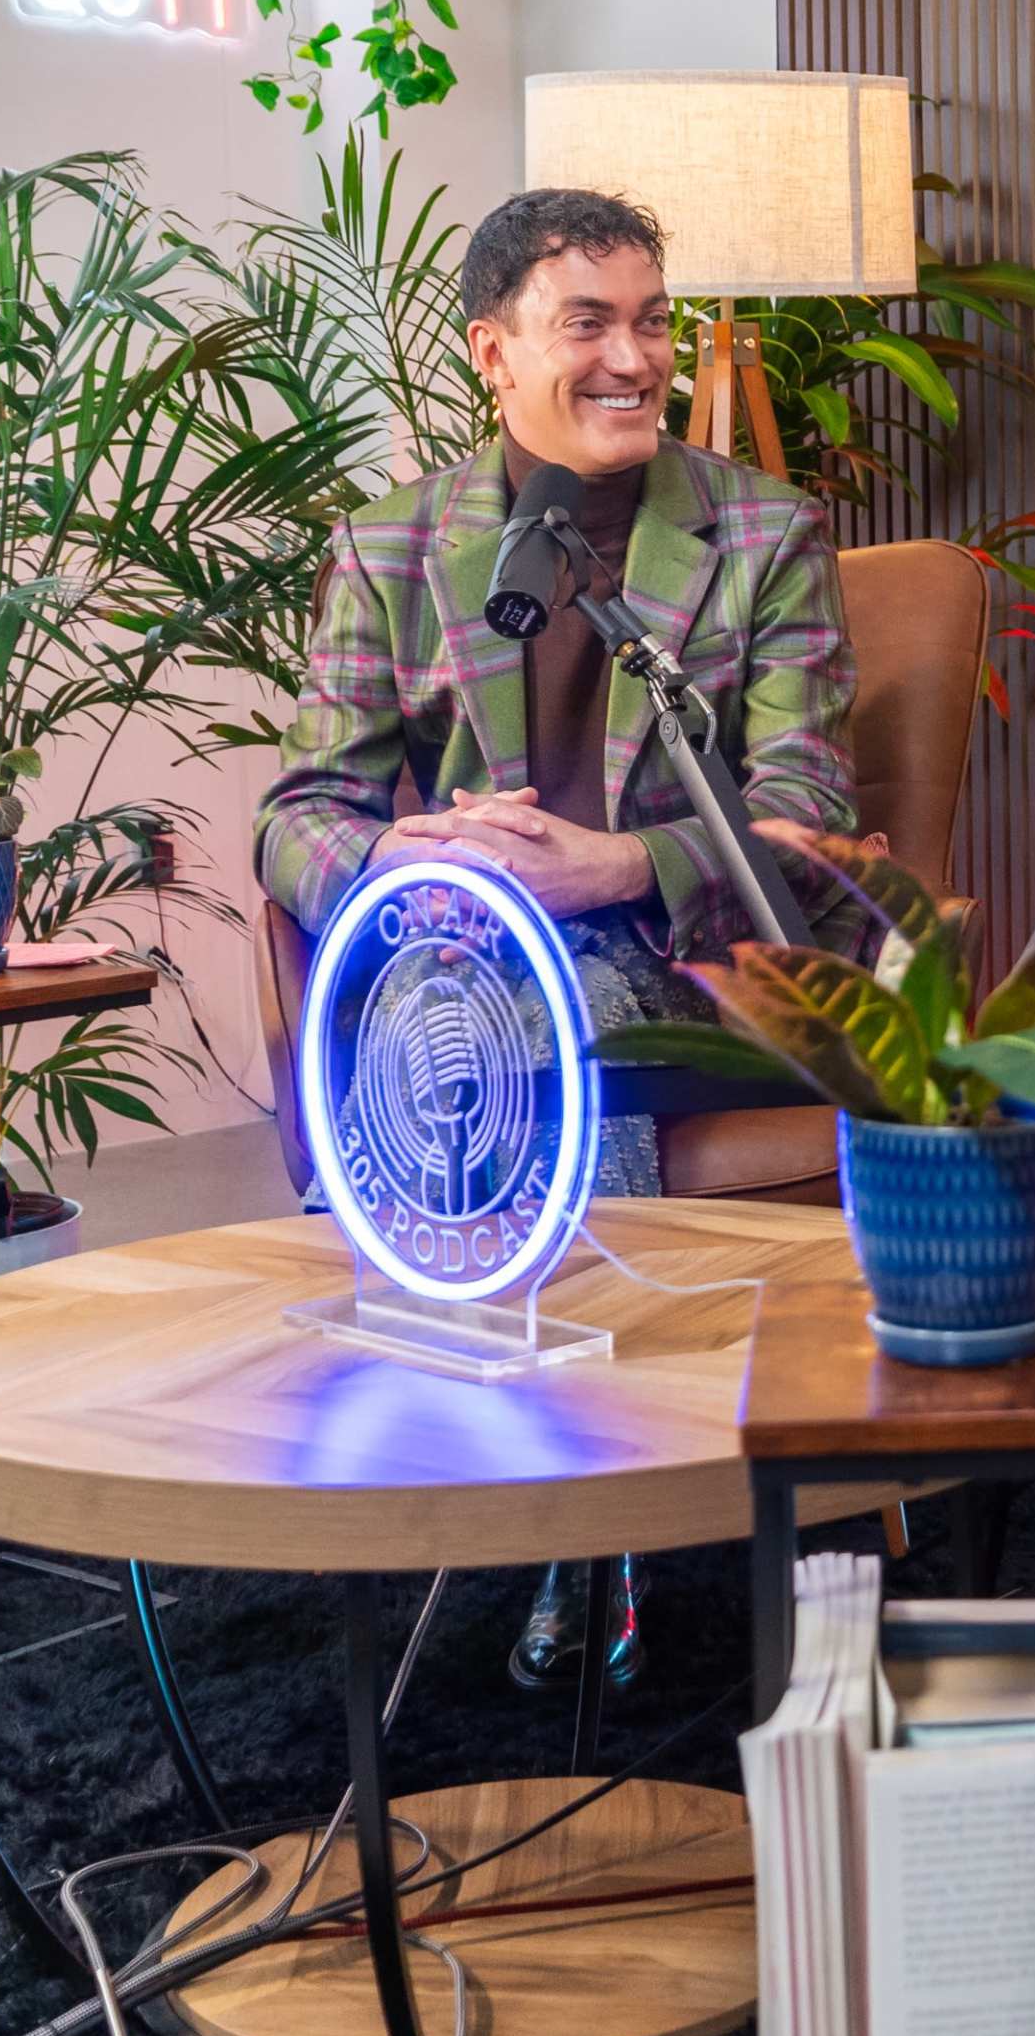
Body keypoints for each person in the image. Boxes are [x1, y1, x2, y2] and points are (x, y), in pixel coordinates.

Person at [256, 186, 858, 1690]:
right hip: (463, 964)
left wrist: (616, 866)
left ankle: (590, 1515)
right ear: (494, 352)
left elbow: (806, 823)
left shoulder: (762, 535)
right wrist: (395, 851)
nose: (633, 357)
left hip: (699, 968)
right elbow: (296, 813)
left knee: (563, 987)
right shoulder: (394, 547)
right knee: (501, 990)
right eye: (586, 321)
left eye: (651, 321)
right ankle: (566, 1490)